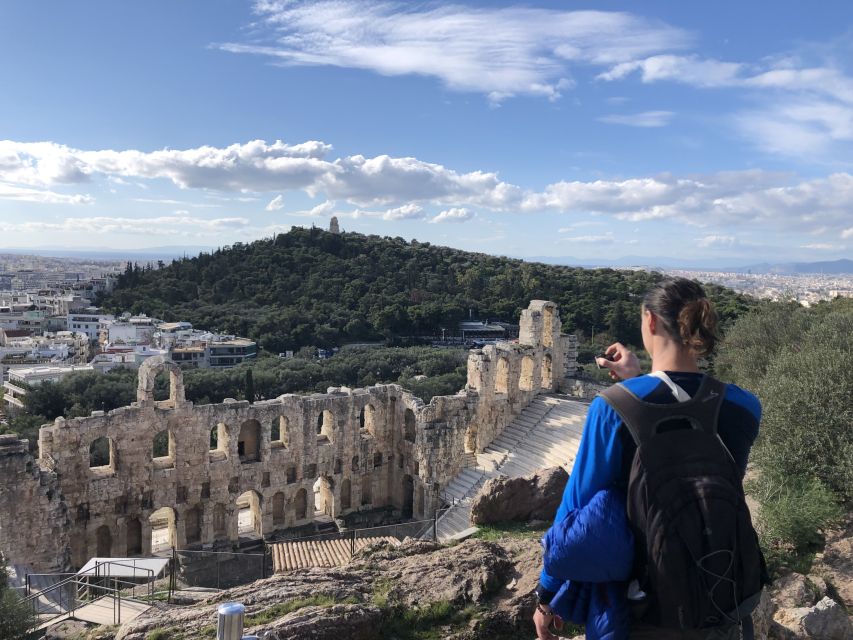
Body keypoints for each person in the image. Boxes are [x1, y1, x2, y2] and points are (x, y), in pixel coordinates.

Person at [533, 278, 763, 640]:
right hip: (725, 598)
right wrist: (637, 380)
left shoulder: (612, 408)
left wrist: (546, 599)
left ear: (651, 322)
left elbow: (575, 513)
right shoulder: (744, 406)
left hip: (644, 607)